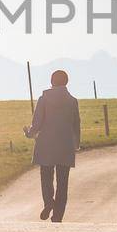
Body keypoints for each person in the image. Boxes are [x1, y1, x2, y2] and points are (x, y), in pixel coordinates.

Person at [24, 69, 81, 222]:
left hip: (46, 144)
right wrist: (77, 143)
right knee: (63, 182)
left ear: (52, 81)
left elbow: (37, 123)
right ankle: (58, 215)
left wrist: (29, 133)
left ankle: (49, 202)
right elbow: (76, 124)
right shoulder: (72, 101)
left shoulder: (44, 99)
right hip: (66, 144)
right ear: (66, 82)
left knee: (46, 177)